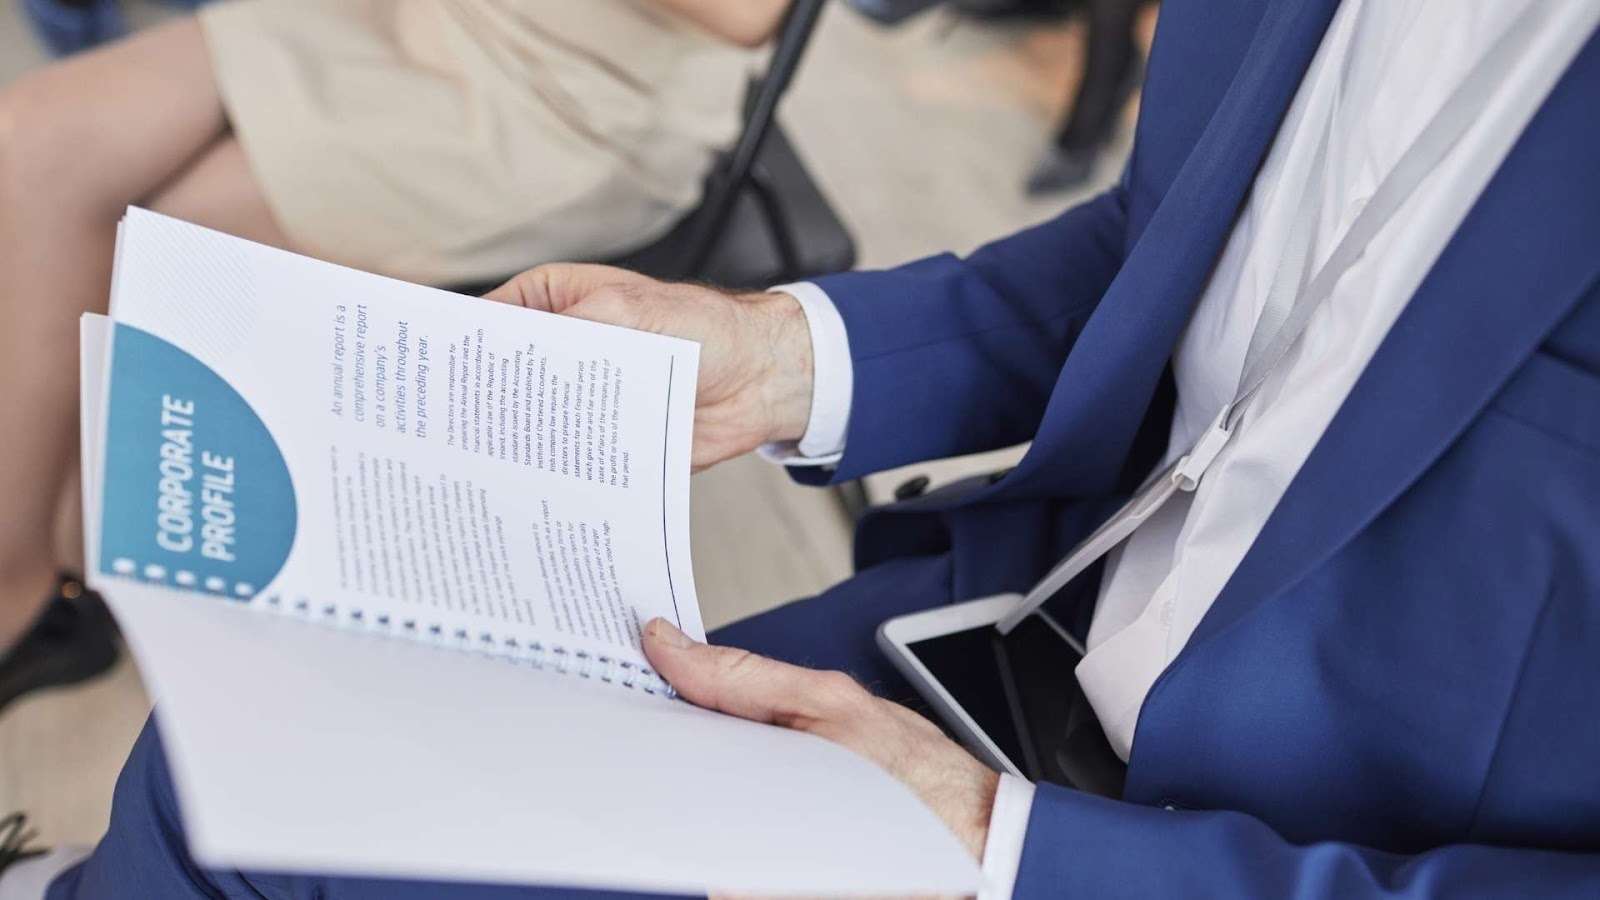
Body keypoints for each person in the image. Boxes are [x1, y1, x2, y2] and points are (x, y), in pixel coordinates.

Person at [10, 0, 1600, 895]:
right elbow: (1178, 250)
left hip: (1224, 860)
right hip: (991, 647)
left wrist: (1012, 856)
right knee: (241, 773)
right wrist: (788, 355)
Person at [0, 0, 785, 713]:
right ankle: (41, 543)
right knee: (24, 139)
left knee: (146, 249)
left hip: (568, 98)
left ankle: (27, 595)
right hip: (417, 17)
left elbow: (744, 14)